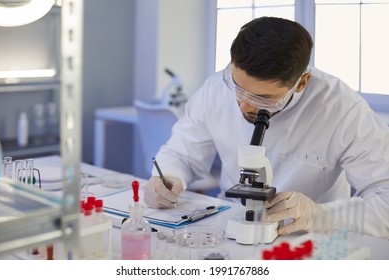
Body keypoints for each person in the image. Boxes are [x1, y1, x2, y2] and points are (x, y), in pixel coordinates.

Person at [143, 16, 389, 238]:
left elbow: (385, 201)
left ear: (301, 83)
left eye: (262, 99)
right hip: (231, 226)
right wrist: (166, 179)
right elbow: (180, 154)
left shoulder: (342, 109)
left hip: (310, 238)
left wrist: (318, 214)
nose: (244, 107)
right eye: (238, 89)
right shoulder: (214, 91)